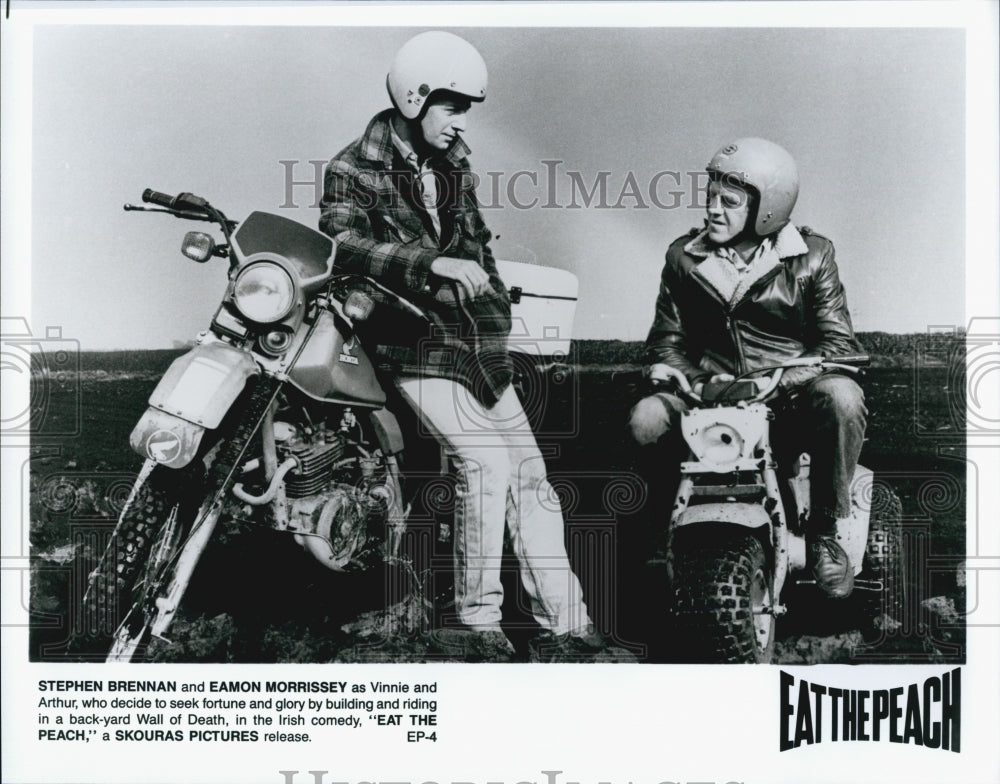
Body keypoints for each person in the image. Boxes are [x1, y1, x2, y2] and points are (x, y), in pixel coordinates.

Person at [319, 31, 603, 661]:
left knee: (533, 476)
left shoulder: (454, 167)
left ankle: (570, 629)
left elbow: (479, 252)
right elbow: (342, 246)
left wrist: (493, 312)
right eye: (452, 106)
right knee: (484, 463)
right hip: (403, 345)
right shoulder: (352, 169)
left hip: (469, 343)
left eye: (467, 108)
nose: (461, 122)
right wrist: (430, 265)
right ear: (415, 100)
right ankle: (477, 626)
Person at [628, 137, 867, 599]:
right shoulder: (683, 257)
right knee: (646, 418)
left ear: (767, 209)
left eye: (729, 202)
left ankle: (822, 532)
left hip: (786, 399)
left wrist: (782, 380)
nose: (712, 211)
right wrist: (694, 380)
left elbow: (838, 344)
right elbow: (666, 342)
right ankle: (665, 527)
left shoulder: (811, 255)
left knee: (842, 396)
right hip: (708, 397)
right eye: (709, 198)